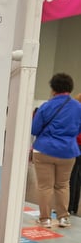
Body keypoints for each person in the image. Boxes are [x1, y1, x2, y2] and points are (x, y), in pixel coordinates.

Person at [31, 73, 81, 228]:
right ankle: (63, 218)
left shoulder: (46, 106)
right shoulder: (78, 107)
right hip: (67, 151)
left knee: (45, 186)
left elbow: (34, 129)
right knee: (63, 185)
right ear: (70, 88)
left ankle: (45, 219)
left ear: (53, 89)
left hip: (44, 150)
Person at [67, 91, 81, 216]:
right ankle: (74, 207)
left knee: (72, 177)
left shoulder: (77, 112)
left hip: (77, 146)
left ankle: (68, 206)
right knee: (78, 178)